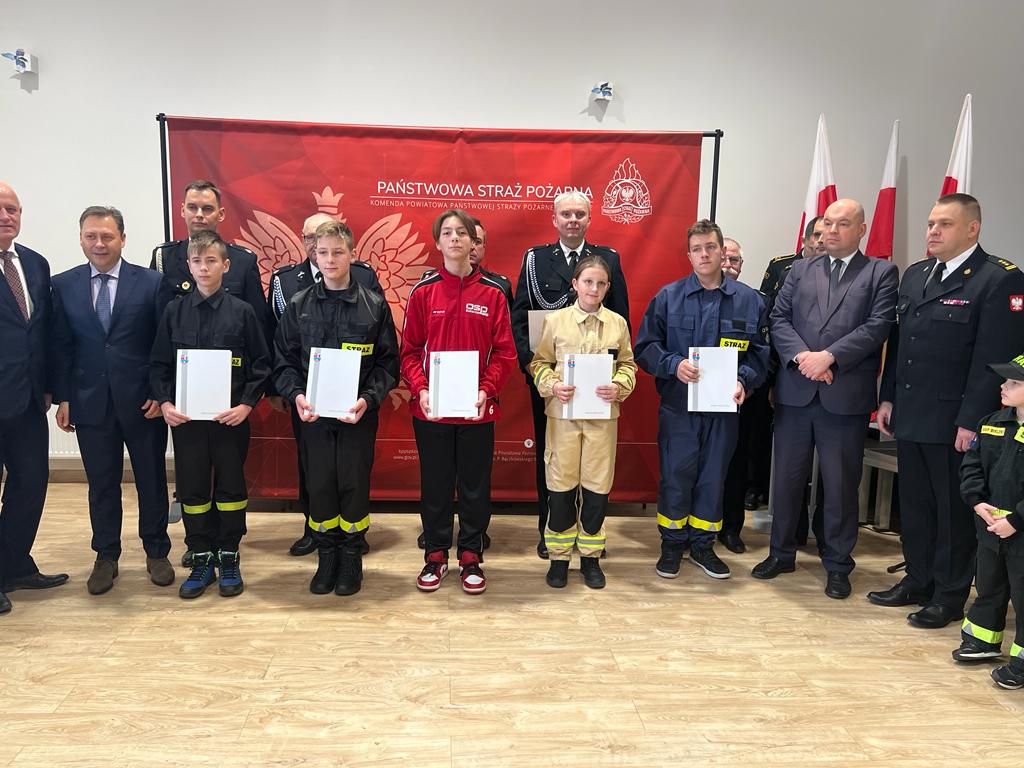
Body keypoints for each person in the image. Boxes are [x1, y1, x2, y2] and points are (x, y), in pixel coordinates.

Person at [870, 194, 1024, 627]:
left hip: (955, 421)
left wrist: (971, 421)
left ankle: (949, 594)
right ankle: (917, 579)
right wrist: (888, 397)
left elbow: (994, 359)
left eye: (945, 224)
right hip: (911, 412)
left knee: (953, 512)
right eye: (931, 223)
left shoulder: (999, 280)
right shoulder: (917, 274)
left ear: (972, 229)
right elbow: (900, 345)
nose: (933, 231)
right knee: (915, 505)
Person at [753, 199, 898, 599]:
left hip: (844, 396)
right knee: (787, 480)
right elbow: (778, 319)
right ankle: (781, 553)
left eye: (842, 224)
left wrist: (829, 357)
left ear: (862, 229)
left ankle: (837, 564)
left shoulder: (880, 272)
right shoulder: (801, 269)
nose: (831, 231)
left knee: (840, 485)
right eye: (827, 224)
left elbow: (878, 326)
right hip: (796, 392)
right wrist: (804, 358)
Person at [635, 219, 768, 580]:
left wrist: (744, 381)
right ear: (689, 255)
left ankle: (703, 546)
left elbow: (760, 354)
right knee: (676, 475)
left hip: (724, 410)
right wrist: (673, 364)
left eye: (711, 247)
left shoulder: (750, 301)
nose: (704, 254)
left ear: (722, 252)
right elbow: (645, 347)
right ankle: (672, 543)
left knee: (713, 478)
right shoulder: (668, 297)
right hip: (679, 408)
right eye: (697, 249)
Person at [51, 206, 174, 595]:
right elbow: (61, 347)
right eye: (91, 236)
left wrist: (159, 393)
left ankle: (157, 552)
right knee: (102, 484)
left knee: (151, 480)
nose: (99, 243)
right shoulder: (63, 285)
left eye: (107, 236)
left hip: (142, 403)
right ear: (81, 239)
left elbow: (163, 343)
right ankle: (106, 556)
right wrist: (64, 397)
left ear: (122, 238)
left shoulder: (151, 283)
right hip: (90, 403)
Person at [273, 220, 398, 596]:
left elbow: (387, 365)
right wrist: (296, 395)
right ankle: (326, 557)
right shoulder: (299, 304)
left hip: (357, 416)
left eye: (337, 252)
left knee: (353, 485)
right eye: (322, 252)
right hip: (313, 416)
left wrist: (368, 399)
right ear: (314, 254)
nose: (329, 259)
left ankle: (351, 558)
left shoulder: (374, 306)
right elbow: (283, 361)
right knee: (320, 485)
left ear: (352, 254)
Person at [152, 179, 270, 568]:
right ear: (187, 265)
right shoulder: (172, 301)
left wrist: (247, 404)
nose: (204, 268)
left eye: (211, 261)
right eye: (197, 262)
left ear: (225, 265)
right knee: (192, 485)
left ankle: (229, 549)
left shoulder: (242, 308)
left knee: (232, 484)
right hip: (186, 416)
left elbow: (260, 356)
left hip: (230, 414)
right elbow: (159, 359)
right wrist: (165, 401)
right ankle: (199, 549)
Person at [400, 209, 516, 595]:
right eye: (447, 232)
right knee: (434, 484)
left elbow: (505, 353)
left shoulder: (494, 293)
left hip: (477, 410)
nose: (454, 238)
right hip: (431, 410)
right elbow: (409, 351)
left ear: (473, 242)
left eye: (461, 233)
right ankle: (435, 554)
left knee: (474, 486)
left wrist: (486, 390)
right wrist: (422, 389)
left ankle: (470, 555)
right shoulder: (423, 292)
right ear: (438, 243)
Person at [511, 191, 630, 558]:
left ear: (589, 219)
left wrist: (615, 381)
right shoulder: (535, 259)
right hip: (553, 384)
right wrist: (538, 374)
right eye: (566, 214)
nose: (573, 219)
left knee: (595, 465)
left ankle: (590, 536)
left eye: (580, 214)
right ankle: (551, 532)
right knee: (553, 461)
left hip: (598, 389)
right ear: (555, 219)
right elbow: (520, 319)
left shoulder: (608, 260)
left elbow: (620, 319)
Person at [528, 254, 636, 589]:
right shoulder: (555, 321)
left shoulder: (617, 324)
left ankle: (590, 557)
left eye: (601, 283)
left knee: (596, 489)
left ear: (608, 287)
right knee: (560, 488)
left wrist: (619, 385)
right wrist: (552, 385)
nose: (594, 288)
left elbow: (628, 365)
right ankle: (559, 558)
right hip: (562, 419)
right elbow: (539, 363)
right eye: (588, 281)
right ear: (575, 284)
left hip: (602, 420)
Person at [0, 182, 67, 615]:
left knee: (30, 484)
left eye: (12, 209)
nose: (6, 216)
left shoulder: (36, 264)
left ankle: (14, 565)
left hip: (27, 400)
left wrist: (51, 387)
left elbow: (45, 332)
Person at [953, 355, 1024, 689]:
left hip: (1019, 530)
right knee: (989, 584)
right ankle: (982, 639)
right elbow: (972, 466)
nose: (1003, 387)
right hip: (991, 527)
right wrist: (977, 501)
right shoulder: (991, 422)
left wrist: (1016, 520)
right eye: (1005, 380)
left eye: (1014, 382)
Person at [469, 217, 512, 306]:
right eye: (467, 241)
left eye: (477, 242)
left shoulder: (501, 286)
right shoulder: (437, 284)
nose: (472, 247)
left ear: (484, 247)